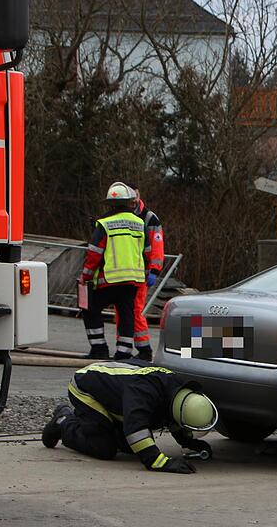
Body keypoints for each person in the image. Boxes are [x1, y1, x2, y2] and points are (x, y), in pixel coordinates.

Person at [41, 360, 218, 474]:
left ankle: (96, 426)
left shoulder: (177, 389)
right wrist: (159, 461)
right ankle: (64, 421)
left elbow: (174, 418)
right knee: (104, 449)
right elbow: (136, 428)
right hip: (86, 388)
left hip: (116, 393)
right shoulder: (143, 393)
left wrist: (190, 443)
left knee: (128, 448)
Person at [80, 182, 147, 360]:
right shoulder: (140, 223)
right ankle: (124, 352)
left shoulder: (104, 224)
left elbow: (94, 253)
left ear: (109, 204)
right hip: (133, 279)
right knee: (126, 313)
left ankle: (99, 347)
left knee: (90, 308)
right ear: (129, 202)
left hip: (109, 279)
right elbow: (146, 251)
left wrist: (85, 276)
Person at [125, 189, 165, 361]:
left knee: (135, 310)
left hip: (140, 272)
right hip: (126, 272)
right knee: (124, 311)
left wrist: (154, 270)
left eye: (136, 196)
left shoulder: (149, 218)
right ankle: (125, 347)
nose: (134, 200)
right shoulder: (124, 214)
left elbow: (157, 247)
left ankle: (144, 349)